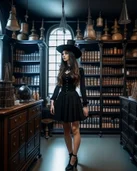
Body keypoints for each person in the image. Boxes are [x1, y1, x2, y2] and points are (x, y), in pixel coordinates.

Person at [50, 40, 89, 171]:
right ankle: (70, 154)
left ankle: (74, 157)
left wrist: (85, 104)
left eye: (65, 53)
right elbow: (58, 86)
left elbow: (82, 88)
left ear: (71, 55)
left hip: (73, 99)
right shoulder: (62, 70)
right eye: (62, 54)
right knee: (66, 130)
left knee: (75, 129)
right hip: (62, 100)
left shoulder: (79, 70)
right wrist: (52, 100)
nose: (63, 56)